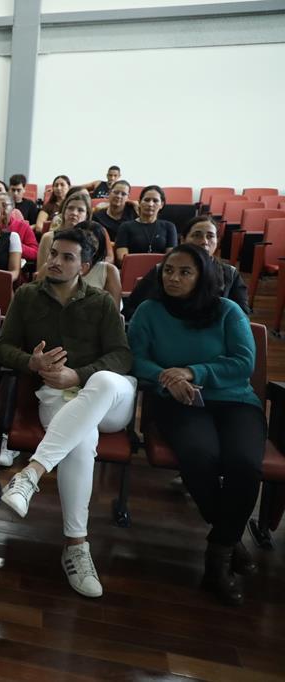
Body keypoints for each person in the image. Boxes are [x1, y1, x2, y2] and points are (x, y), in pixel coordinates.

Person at [0, 229, 135, 598]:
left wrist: (79, 374)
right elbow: (3, 348)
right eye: (53, 253)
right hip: (56, 394)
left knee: (103, 380)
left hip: (110, 400)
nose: (54, 261)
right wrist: (32, 361)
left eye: (67, 257)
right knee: (80, 437)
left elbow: (122, 356)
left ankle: (31, 473)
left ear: (85, 266)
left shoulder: (102, 302)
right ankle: (77, 546)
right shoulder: (26, 296)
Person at [128, 243, 263, 605]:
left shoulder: (227, 311)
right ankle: (225, 548)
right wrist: (168, 379)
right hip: (179, 403)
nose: (173, 277)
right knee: (200, 456)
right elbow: (135, 358)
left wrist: (193, 370)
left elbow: (242, 363)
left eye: (185, 272)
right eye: (168, 270)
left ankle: (220, 544)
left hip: (234, 401)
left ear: (202, 276)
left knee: (245, 464)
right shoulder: (150, 311)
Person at [124, 216, 250, 320]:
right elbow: (132, 309)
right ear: (183, 240)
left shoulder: (230, 274)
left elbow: (241, 317)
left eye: (210, 236)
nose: (204, 242)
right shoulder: (162, 270)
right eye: (197, 235)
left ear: (218, 241)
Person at [36, 191, 112, 272]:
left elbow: (107, 259)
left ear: (87, 215)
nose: (74, 213)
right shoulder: (48, 237)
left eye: (80, 210)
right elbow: (40, 272)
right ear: (64, 211)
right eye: (70, 208)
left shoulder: (93, 238)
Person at [114, 185, 177, 266]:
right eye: (147, 200)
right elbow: (121, 258)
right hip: (133, 270)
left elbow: (171, 258)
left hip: (160, 272)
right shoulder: (125, 226)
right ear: (139, 202)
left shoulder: (169, 227)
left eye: (155, 201)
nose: (150, 204)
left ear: (161, 204)